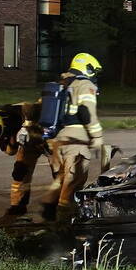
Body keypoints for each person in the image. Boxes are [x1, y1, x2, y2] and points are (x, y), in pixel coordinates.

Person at [39, 53, 104, 222]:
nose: (94, 75)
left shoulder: (61, 84)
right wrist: (97, 136)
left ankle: (49, 211)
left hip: (55, 141)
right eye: (94, 71)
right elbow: (86, 113)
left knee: (60, 179)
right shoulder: (85, 85)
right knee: (72, 184)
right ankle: (64, 225)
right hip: (75, 143)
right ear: (87, 68)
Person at [0, 101, 47, 219]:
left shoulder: (24, 112)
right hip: (28, 144)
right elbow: (10, 151)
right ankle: (18, 205)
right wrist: (12, 140)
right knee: (20, 172)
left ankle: (62, 204)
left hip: (45, 137)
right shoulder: (4, 123)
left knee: (59, 171)